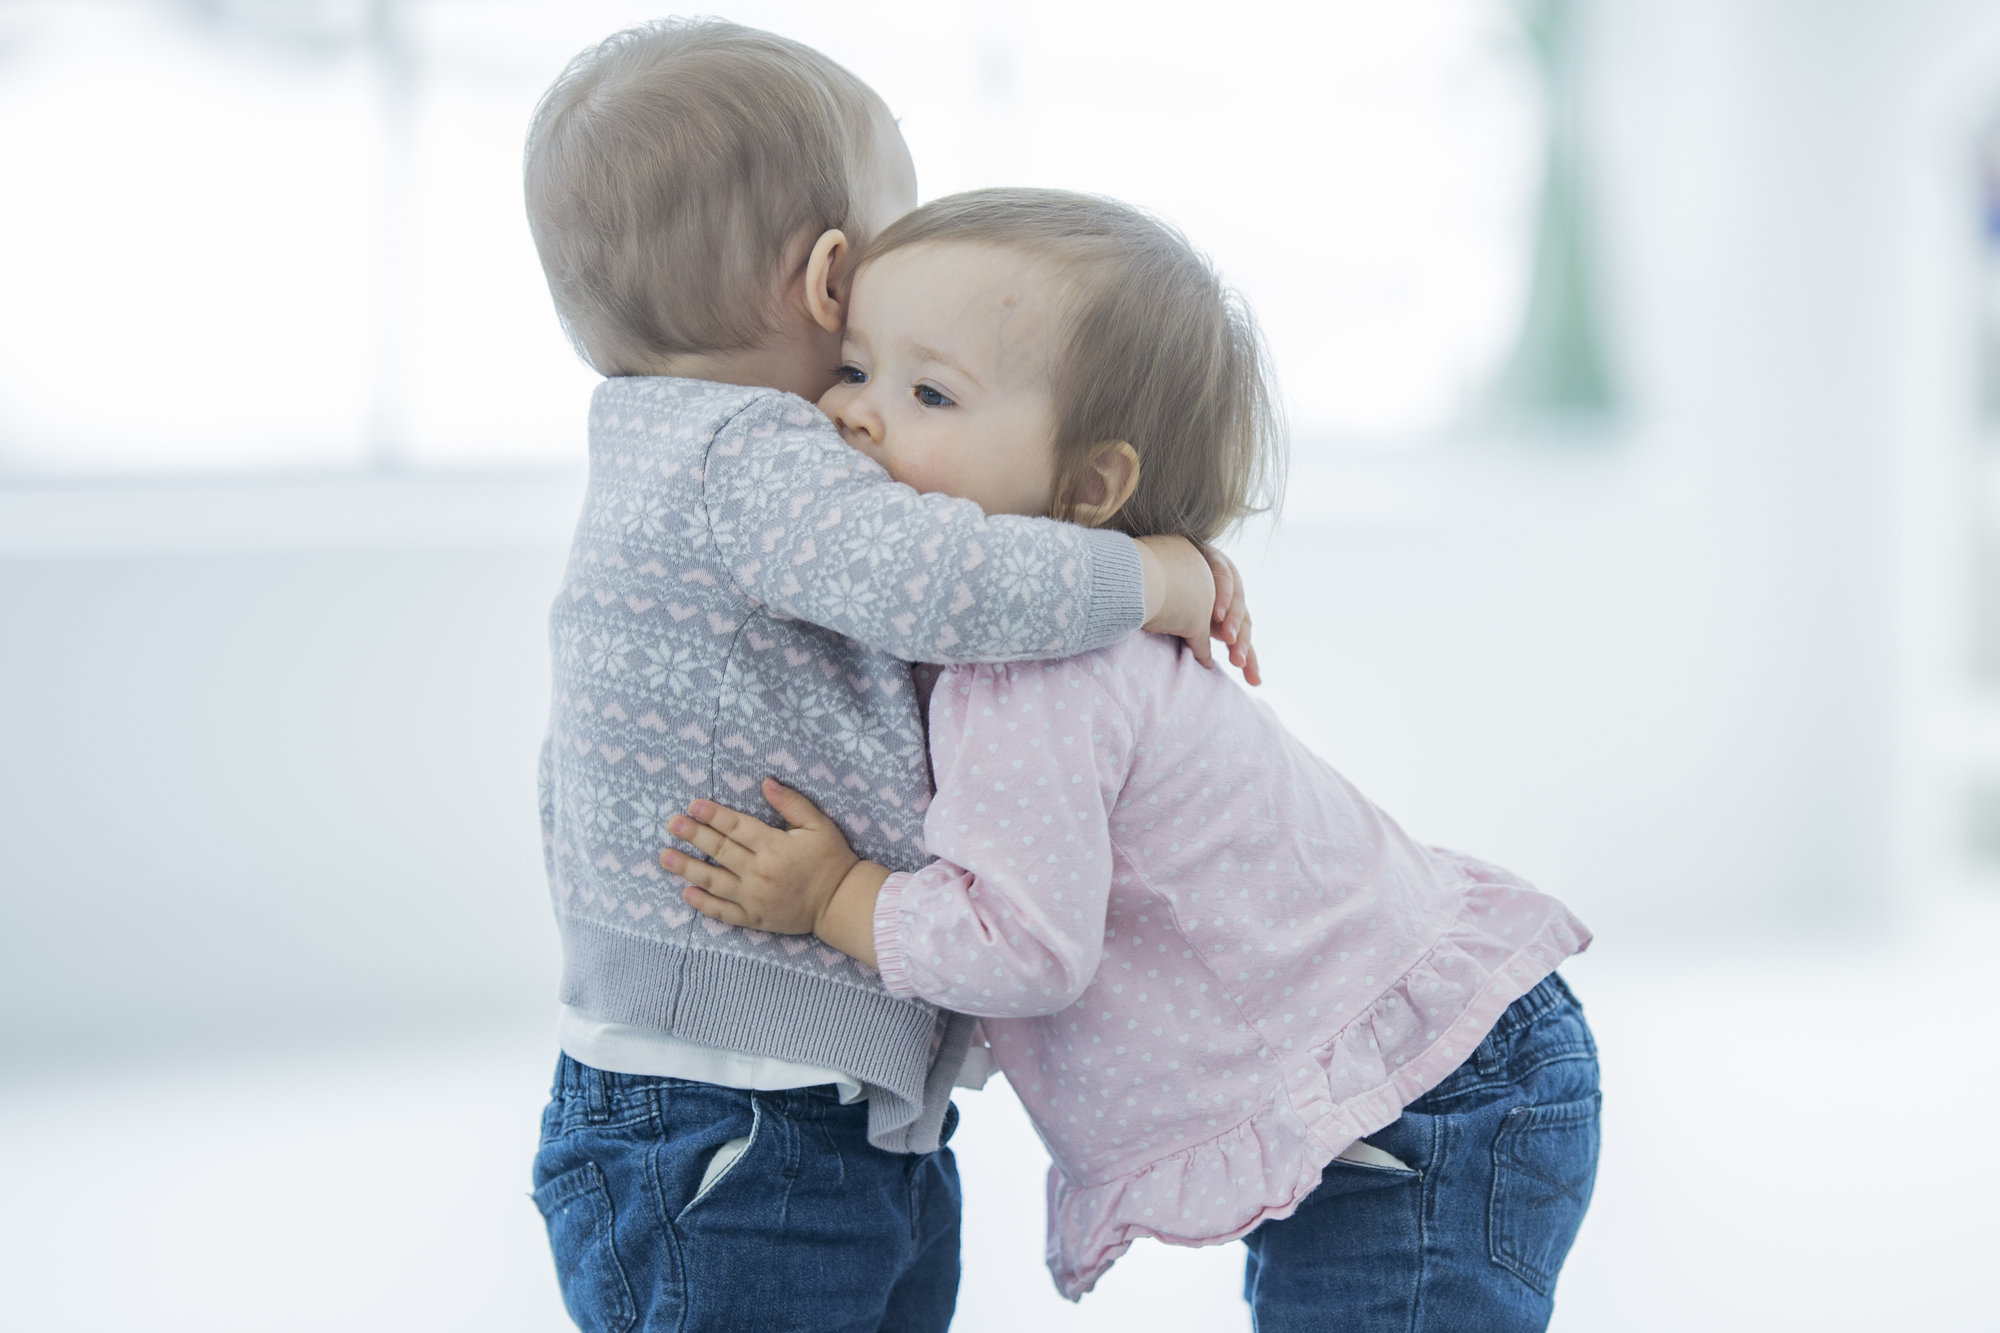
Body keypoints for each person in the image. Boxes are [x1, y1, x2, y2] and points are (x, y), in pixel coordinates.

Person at [665, 188, 1601, 1332]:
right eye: (852, 367)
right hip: (1415, 1072)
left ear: (1088, 489)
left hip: (1427, 1105)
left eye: (927, 392)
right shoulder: (1041, 629)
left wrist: (835, 897)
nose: (853, 416)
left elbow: (1023, 948)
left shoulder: (1031, 679)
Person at [521, 24, 1244, 1333]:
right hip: (742, 1115)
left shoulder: (659, 445)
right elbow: (949, 583)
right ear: (832, 276)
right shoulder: (751, 451)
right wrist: (1157, 579)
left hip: (741, 1100)